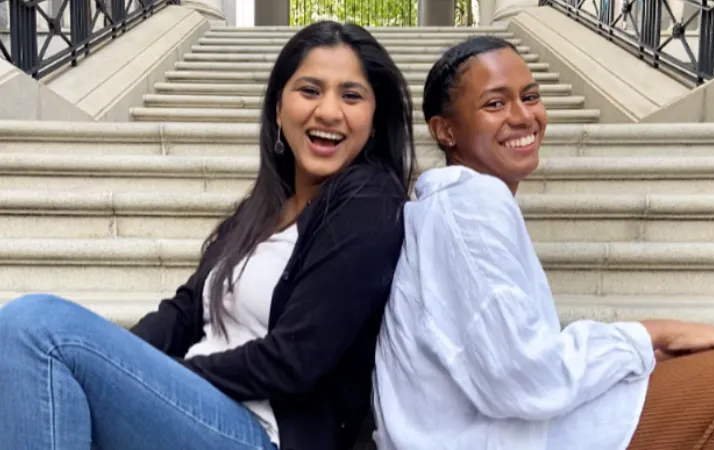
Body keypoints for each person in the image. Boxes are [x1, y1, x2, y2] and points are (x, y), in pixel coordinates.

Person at [0, 21, 416, 450]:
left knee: (36, 329)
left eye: (351, 95)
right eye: (309, 90)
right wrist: (125, 360)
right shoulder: (264, 210)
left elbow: (296, 359)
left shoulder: (369, 202)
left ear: (374, 114)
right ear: (278, 109)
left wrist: (167, 375)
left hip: (263, 433)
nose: (329, 111)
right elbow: (182, 313)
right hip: (200, 410)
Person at [372, 36, 714, 450]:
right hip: (491, 435)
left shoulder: (449, 205)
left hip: (487, 429)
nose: (523, 116)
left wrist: (638, 354)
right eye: (495, 103)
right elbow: (524, 377)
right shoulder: (471, 203)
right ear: (445, 130)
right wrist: (654, 334)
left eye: (531, 95)